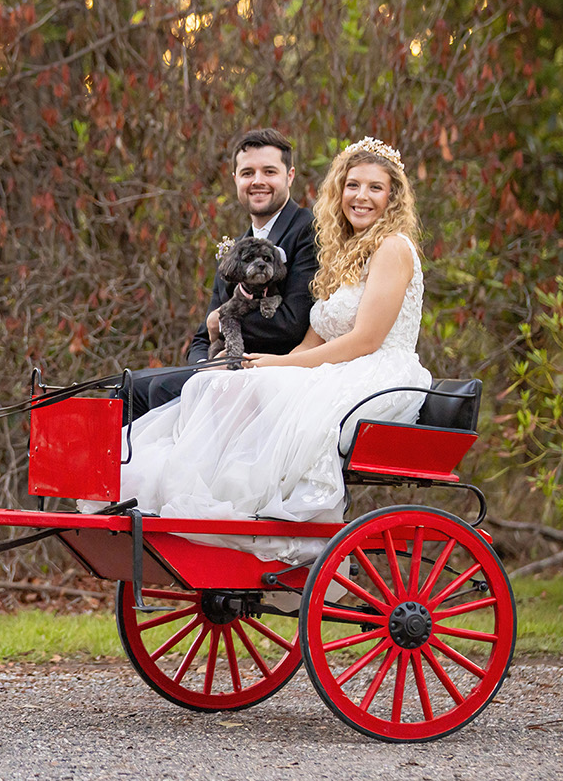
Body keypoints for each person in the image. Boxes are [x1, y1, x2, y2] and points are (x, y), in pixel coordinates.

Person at [85, 137, 432, 564]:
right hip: (333, 364)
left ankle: (239, 517)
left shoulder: (393, 248)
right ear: (339, 191)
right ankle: (199, 514)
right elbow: (315, 334)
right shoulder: (345, 254)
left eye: (375, 188)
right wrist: (273, 366)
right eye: (353, 185)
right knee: (238, 385)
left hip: (374, 372)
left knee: (259, 397)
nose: (361, 197)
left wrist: (283, 364)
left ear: (393, 196)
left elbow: (366, 339)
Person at [118, 128, 319, 422]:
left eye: (269, 171)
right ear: (235, 178)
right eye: (248, 172)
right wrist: (202, 365)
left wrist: (224, 323)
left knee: (161, 389)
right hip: (223, 364)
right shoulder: (238, 246)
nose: (258, 181)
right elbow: (203, 335)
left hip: (270, 371)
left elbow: (291, 323)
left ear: (289, 176)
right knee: (126, 387)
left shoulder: (306, 230)